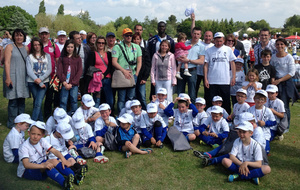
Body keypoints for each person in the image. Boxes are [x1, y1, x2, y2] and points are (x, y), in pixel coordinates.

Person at [17, 121, 75, 190]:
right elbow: (26, 164)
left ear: (42, 135)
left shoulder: (42, 141)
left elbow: (55, 151)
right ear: (29, 133)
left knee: (54, 160)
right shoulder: (24, 146)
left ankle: (73, 176)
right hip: (27, 171)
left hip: (40, 163)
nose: (35, 137)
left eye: (38, 134)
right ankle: (64, 183)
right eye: (33, 134)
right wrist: (43, 165)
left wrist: (63, 159)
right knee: (47, 166)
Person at [222, 121, 271, 185]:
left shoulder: (256, 145)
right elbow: (232, 156)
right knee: (225, 161)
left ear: (251, 133)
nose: (241, 134)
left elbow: (259, 164)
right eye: (240, 131)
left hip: (251, 166)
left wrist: (246, 163)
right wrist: (242, 164)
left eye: (244, 132)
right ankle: (252, 176)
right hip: (239, 164)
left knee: (267, 169)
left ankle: (239, 176)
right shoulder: (237, 141)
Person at [29, 27, 61, 120]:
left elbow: (57, 60)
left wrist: (57, 74)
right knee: (37, 98)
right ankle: (38, 117)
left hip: (50, 76)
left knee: (49, 97)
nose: (44, 36)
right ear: (39, 35)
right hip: (36, 77)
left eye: (46, 34)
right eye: (42, 34)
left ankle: (47, 115)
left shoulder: (53, 46)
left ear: (49, 35)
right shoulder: (33, 45)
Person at [3, 28, 30, 129]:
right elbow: (7, 62)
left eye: (21, 35)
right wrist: (8, 77)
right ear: (14, 36)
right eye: (17, 35)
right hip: (13, 75)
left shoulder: (26, 48)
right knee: (13, 100)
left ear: (24, 37)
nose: (19, 37)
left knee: (21, 100)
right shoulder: (9, 47)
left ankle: (21, 122)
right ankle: (12, 122)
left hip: (23, 76)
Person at [204, 32, 236, 114]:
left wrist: (233, 77)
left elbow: (232, 63)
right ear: (214, 40)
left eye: (221, 41)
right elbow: (206, 65)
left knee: (225, 101)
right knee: (211, 101)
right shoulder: (209, 50)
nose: (219, 43)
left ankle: (227, 118)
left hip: (225, 80)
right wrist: (205, 79)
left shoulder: (228, 49)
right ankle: (210, 117)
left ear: (224, 40)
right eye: (217, 41)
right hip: (212, 80)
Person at [271, 38, 299, 131]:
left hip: (286, 83)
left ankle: (285, 126)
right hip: (276, 82)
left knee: (284, 106)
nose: (280, 46)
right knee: (274, 104)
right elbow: (272, 69)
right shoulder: (274, 57)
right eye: (278, 44)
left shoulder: (289, 57)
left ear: (285, 46)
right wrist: (273, 80)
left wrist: (280, 80)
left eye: (282, 44)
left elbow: (291, 72)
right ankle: (275, 125)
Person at [112, 28, 142, 112]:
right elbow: (114, 62)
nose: (129, 37)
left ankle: (130, 114)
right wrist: (123, 71)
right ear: (123, 36)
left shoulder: (136, 47)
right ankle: (121, 114)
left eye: (130, 35)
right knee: (121, 97)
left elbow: (139, 61)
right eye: (126, 35)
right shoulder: (117, 47)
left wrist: (136, 73)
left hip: (132, 74)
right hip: (122, 74)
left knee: (131, 97)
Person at [148, 21, 175, 101]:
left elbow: (173, 54)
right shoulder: (152, 40)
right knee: (156, 92)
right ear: (157, 28)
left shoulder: (170, 40)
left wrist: (174, 78)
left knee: (168, 94)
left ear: (165, 28)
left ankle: (169, 109)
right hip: (157, 69)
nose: (161, 28)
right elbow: (149, 54)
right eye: (160, 26)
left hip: (167, 71)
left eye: (163, 26)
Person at [26, 37, 52, 121]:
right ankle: (40, 120)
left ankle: (32, 121)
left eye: (38, 44)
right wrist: (36, 80)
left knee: (38, 102)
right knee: (37, 101)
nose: (37, 46)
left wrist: (40, 80)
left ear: (41, 45)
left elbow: (49, 69)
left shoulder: (47, 56)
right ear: (32, 46)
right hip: (32, 82)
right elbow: (29, 71)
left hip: (44, 82)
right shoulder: (29, 57)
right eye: (35, 45)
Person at [85, 36, 114, 108]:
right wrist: (99, 74)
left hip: (107, 78)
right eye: (99, 43)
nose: (101, 44)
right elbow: (90, 67)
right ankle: (96, 114)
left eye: (103, 43)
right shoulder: (92, 54)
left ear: (105, 44)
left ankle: (109, 114)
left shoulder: (108, 54)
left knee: (110, 100)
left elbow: (110, 66)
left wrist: (104, 74)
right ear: (96, 43)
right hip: (97, 80)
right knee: (97, 99)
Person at [57, 39, 82, 113]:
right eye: (68, 47)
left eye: (71, 47)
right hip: (64, 83)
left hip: (73, 84)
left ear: (74, 48)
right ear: (65, 47)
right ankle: (62, 116)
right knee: (63, 100)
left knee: (74, 100)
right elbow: (59, 71)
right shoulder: (62, 58)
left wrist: (72, 83)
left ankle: (74, 115)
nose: (70, 49)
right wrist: (64, 82)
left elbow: (79, 71)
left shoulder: (77, 58)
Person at [247, 90, 276, 154]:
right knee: (250, 150)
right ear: (254, 99)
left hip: (265, 133)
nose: (259, 101)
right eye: (257, 98)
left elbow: (274, 122)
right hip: (252, 133)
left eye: (262, 99)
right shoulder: (249, 110)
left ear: (265, 101)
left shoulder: (268, 110)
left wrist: (265, 123)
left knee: (264, 152)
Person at [132, 33, 151, 110]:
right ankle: (134, 110)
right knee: (133, 95)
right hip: (132, 77)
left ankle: (145, 110)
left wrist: (145, 77)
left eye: (138, 39)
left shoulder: (144, 50)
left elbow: (147, 65)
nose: (136, 41)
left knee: (142, 96)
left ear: (140, 40)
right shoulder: (129, 50)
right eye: (134, 39)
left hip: (141, 77)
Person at [69, 31, 91, 96]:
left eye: (80, 38)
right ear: (72, 40)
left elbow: (88, 61)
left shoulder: (86, 47)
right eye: (77, 38)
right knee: (72, 96)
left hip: (83, 76)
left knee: (85, 94)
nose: (80, 40)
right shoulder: (68, 48)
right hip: (71, 77)